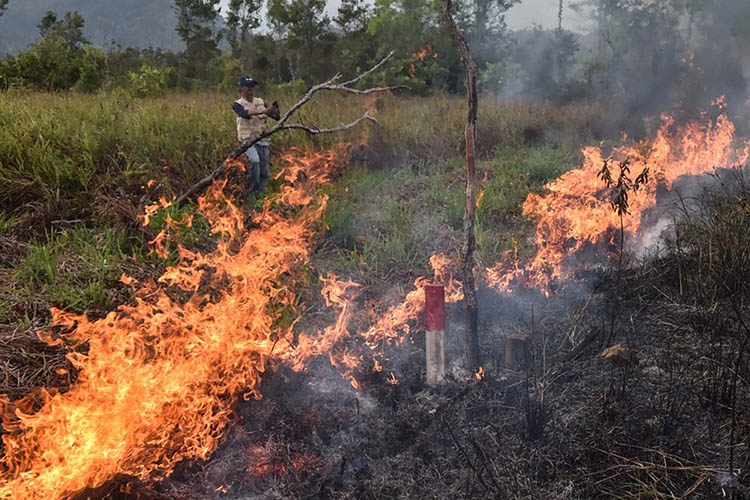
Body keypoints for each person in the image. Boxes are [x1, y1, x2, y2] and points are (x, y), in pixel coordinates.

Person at [233, 75, 280, 197]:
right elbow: (244, 114)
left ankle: (261, 194)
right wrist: (264, 111)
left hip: (263, 140)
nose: (250, 90)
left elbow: (275, 117)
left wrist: (275, 110)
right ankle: (252, 193)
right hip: (248, 141)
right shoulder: (237, 104)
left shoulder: (260, 102)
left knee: (265, 171)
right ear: (241, 89)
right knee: (254, 161)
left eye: (252, 87)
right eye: (247, 87)